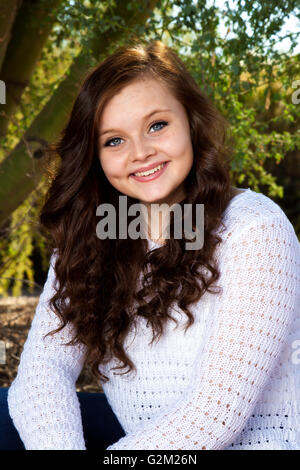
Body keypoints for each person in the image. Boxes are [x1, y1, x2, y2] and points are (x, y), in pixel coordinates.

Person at [5, 40, 300, 450]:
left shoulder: (254, 228)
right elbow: (43, 370)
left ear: (191, 123)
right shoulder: (92, 234)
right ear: (94, 155)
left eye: (157, 125)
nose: (140, 153)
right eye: (114, 141)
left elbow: (215, 415)